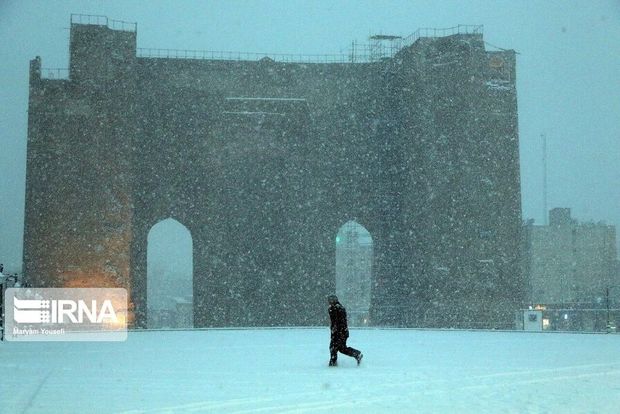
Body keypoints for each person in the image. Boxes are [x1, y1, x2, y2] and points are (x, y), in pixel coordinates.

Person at [327, 294, 363, 366]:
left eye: (331, 300)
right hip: (339, 332)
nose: (330, 302)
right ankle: (356, 354)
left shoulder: (338, 308)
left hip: (340, 332)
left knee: (336, 348)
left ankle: (333, 363)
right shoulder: (333, 308)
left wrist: (337, 331)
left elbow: (340, 322)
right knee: (338, 348)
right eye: (329, 300)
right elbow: (335, 321)